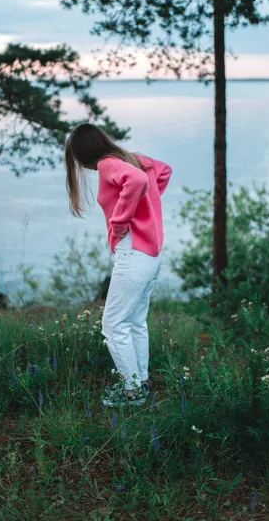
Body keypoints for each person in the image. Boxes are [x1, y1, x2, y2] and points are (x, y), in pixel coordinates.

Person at [64, 123, 172, 407]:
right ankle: (139, 382)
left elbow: (137, 181)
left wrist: (122, 220)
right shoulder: (127, 158)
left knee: (112, 325)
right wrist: (146, 209)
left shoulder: (108, 164)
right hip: (150, 256)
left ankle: (132, 390)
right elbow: (162, 170)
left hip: (134, 254)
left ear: (83, 153)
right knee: (134, 321)